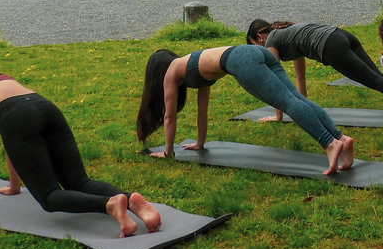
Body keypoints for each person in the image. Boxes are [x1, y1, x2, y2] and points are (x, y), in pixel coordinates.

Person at [0, 73, 161, 237]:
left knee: (49, 196)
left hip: (17, 118)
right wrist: (14, 187)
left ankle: (110, 205)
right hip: (46, 109)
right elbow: (10, 140)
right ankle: (135, 203)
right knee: (79, 181)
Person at [137, 46, 356, 175]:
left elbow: (169, 115)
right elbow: (202, 112)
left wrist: (168, 153)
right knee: (295, 98)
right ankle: (341, 139)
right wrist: (200, 143)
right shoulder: (193, 66)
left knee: (286, 102)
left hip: (241, 60)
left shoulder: (171, 72)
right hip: (255, 52)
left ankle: (329, 143)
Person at [245, 19, 383, 130]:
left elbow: (275, 80)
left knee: (375, 81)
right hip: (341, 35)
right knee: (380, 78)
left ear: (259, 37)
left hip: (331, 46)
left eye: (255, 46)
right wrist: (302, 110)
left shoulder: (271, 41)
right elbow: (300, 79)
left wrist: (278, 117)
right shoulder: (286, 33)